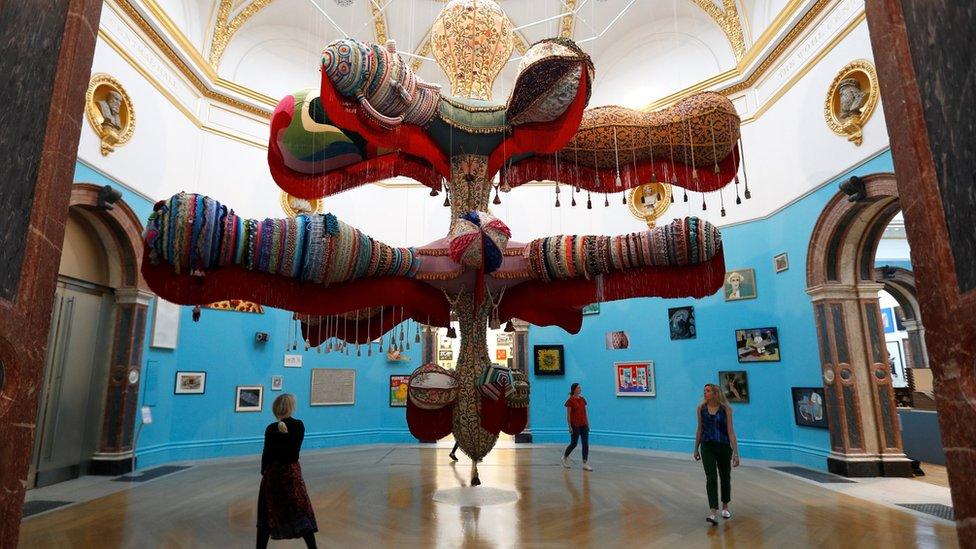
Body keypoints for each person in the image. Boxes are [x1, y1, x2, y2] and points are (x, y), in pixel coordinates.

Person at [257, 394, 318, 548]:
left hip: (273, 476)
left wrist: (265, 472)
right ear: (291, 408)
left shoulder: (271, 428)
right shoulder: (298, 425)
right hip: (291, 475)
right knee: (300, 510)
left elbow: (267, 454)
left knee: (267, 514)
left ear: (275, 409)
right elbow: (292, 453)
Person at [693, 384, 740, 525]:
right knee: (711, 477)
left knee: (725, 477)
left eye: (708, 391)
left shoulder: (726, 410)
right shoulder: (701, 409)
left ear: (715, 393)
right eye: (704, 391)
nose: (705, 393)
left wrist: (736, 453)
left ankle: (725, 506)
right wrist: (696, 448)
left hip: (724, 446)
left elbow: (731, 431)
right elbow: (700, 429)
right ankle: (713, 511)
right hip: (707, 446)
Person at [562, 383, 592, 471]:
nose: (580, 389)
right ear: (574, 390)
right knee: (574, 443)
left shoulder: (582, 399)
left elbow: (584, 412)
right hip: (575, 425)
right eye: (578, 388)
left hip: (584, 424)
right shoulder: (570, 401)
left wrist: (588, 423)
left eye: (580, 388)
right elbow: (568, 415)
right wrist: (569, 426)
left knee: (585, 443)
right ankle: (564, 457)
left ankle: (585, 463)